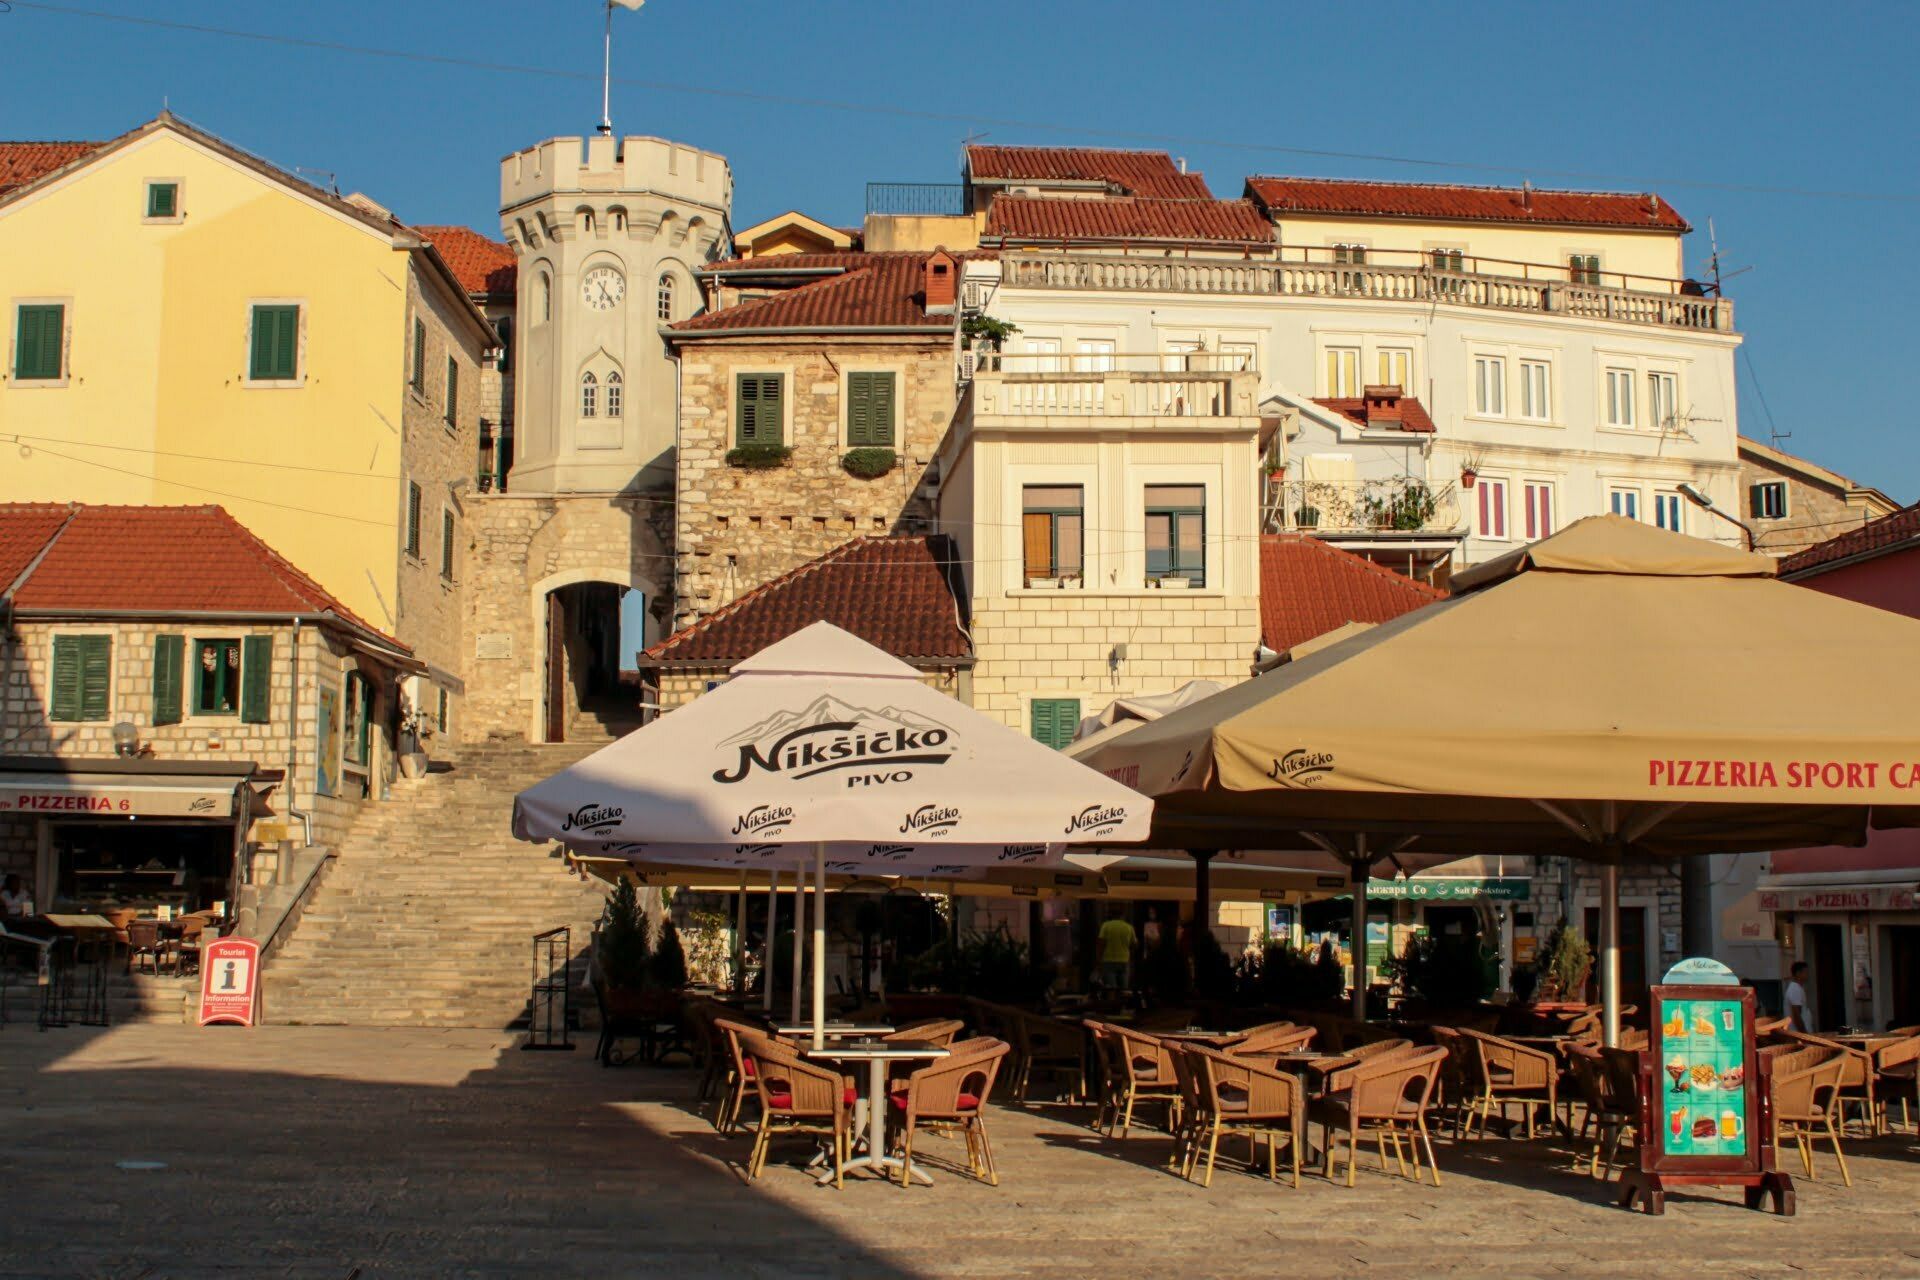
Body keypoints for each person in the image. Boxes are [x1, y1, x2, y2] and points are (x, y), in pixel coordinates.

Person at [1097, 906, 1136, 994]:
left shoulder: (1106, 925)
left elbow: (1100, 943)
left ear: (1111, 915)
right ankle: (1123, 1006)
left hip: (1108, 960)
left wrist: (1098, 960)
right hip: (1124, 960)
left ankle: (1113, 1005)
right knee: (1124, 989)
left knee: (1111, 989)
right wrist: (1131, 958)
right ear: (1123, 915)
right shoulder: (1129, 927)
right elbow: (1134, 945)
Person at [1785, 961, 1811, 1032]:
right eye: (1805, 972)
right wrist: (1804, 1035)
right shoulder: (1795, 989)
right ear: (1798, 973)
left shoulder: (1799, 988)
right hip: (1798, 1035)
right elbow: (1797, 1015)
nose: (1807, 975)